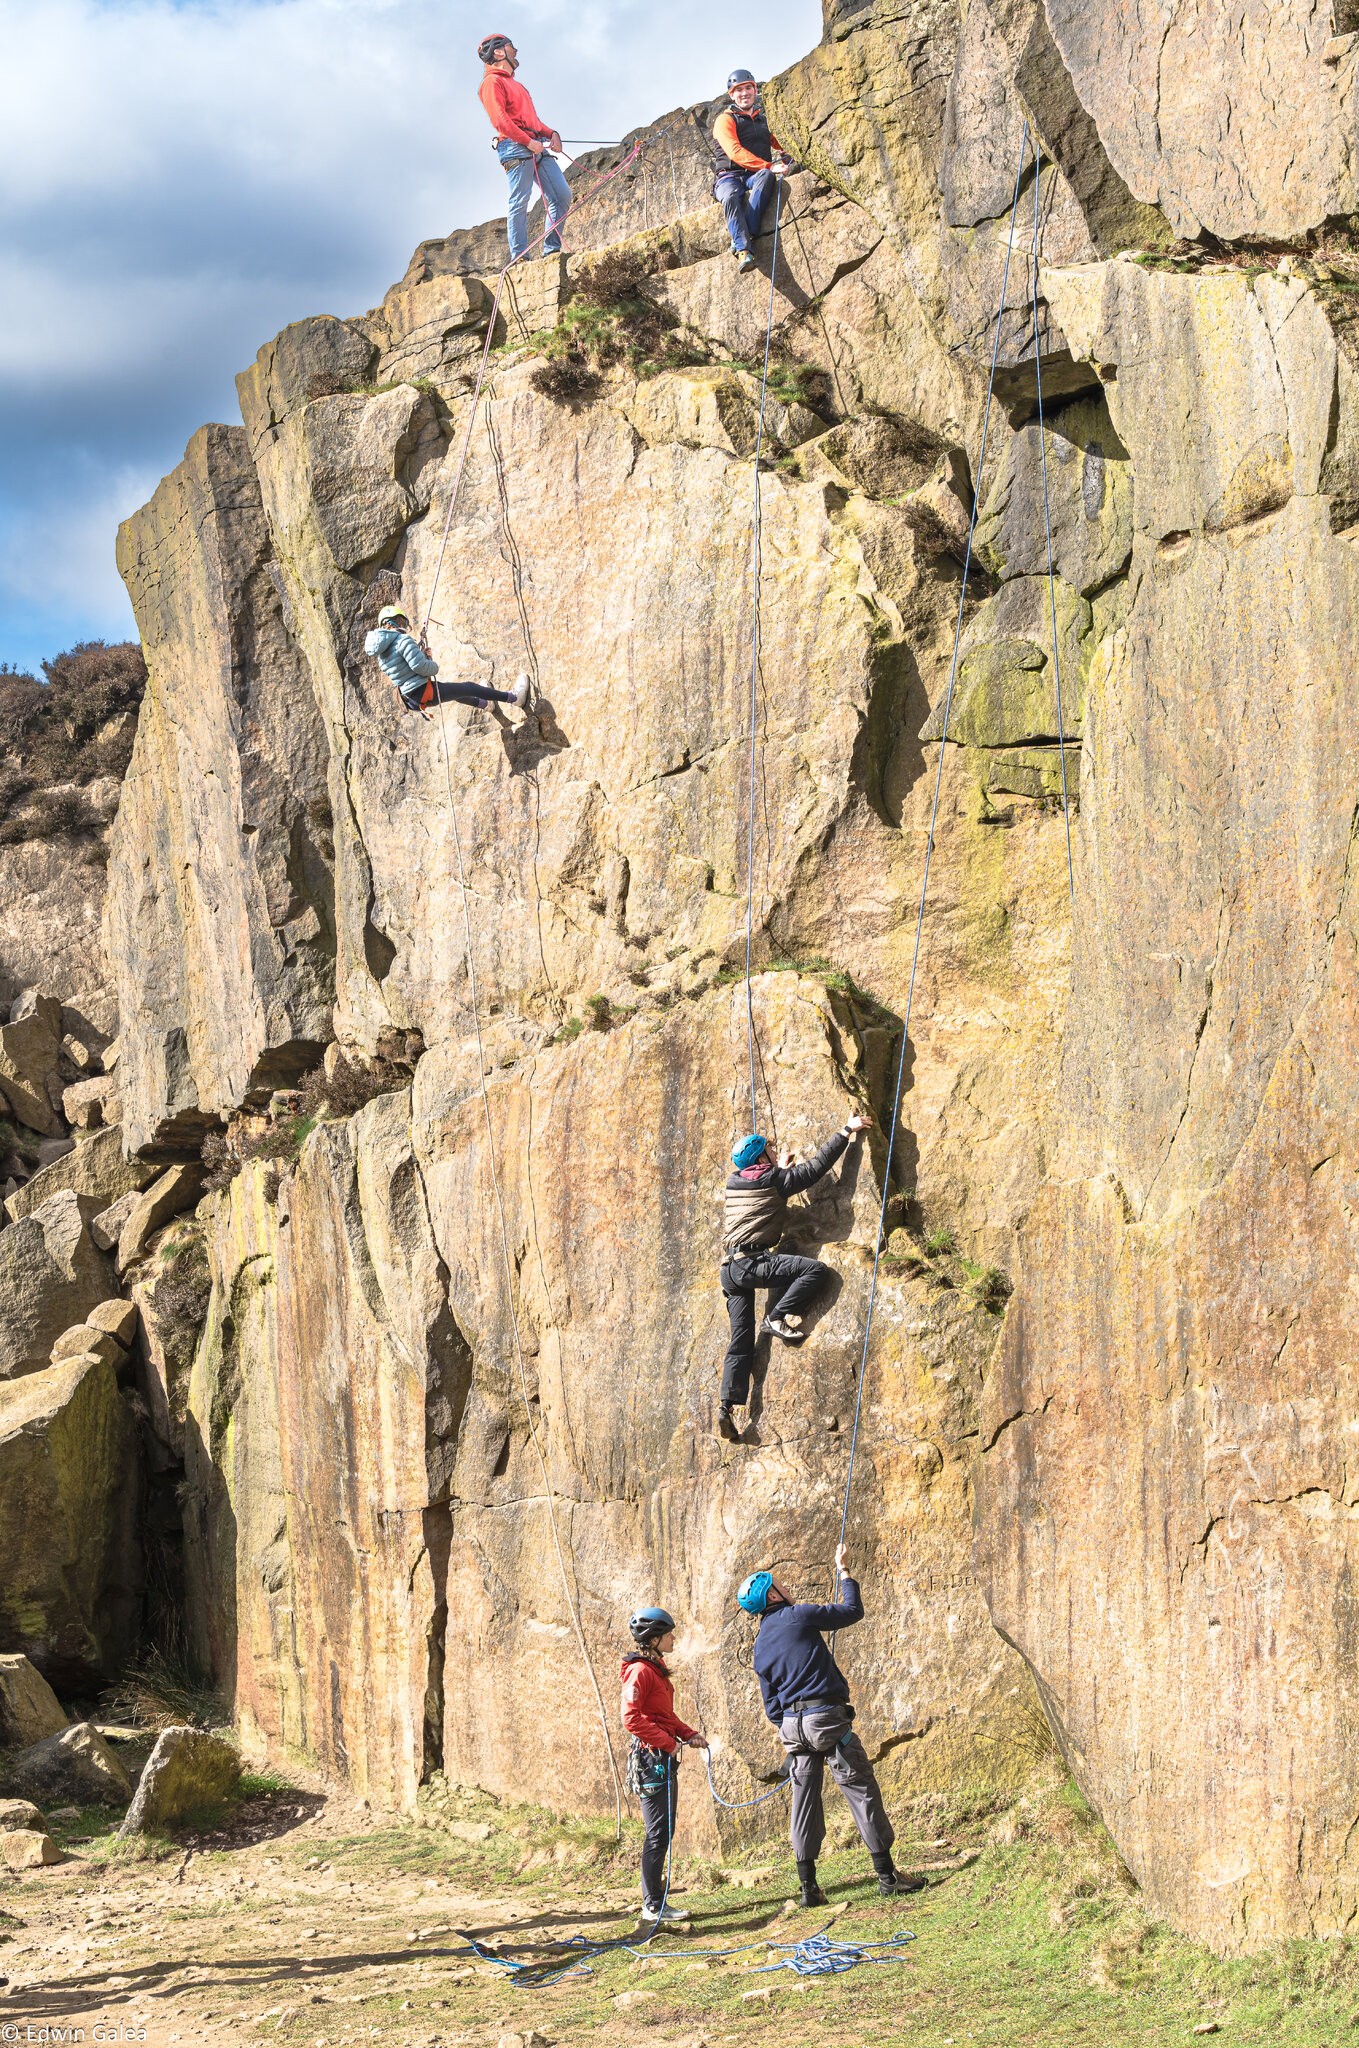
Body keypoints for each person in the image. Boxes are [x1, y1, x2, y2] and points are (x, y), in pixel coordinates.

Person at [738, 1546, 923, 1908]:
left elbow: (771, 1706)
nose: (786, 1587)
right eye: (780, 1585)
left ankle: (809, 1888)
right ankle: (887, 1877)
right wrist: (844, 1570)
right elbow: (853, 1610)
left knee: (803, 1803)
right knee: (859, 1788)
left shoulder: (760, 1645)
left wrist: (795, 1729)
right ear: (773, 1595)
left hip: (794, 1728)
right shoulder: (798, 1615)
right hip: (826, 1720)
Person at [717, 1112, 872, 1442]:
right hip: (751, 1264)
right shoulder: (773, 1179)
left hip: (730, 1270)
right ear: (762, 1157)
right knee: (814, 1271)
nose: (775, 1151)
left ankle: (726, 1407)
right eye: (770, 1150)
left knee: (740, 1341)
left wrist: (780, 1171)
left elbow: (763, 1195)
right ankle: (775, 1318)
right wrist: (847, 1130)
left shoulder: (736, 1181)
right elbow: (816, 1168)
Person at [620, 1605, 710, 1927]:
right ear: (655, 1638)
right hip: (651, 1761)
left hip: (661, 1757)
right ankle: (652, 1904)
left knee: (663, 1830)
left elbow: (664, 1716)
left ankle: (654, 1900)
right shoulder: (640, 1672)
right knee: (657, 1833)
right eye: (669, 1633)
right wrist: (668, 1743)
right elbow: (630, 1718)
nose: (673, 1637)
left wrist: (689, 1734)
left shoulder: (655, 1670)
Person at [477, 34, 572, 264]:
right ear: (499, 52)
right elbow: (500, 120)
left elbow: (534, 122)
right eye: (511, 47)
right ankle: (519, 256)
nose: (516, 51)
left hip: (534, 144)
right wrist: (528, 142)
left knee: (561, 195)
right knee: (520, 200)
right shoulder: (491, 83)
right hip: (515, 146)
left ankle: (551, 252)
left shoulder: (517, 86)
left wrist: (552, 134)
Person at [364, 606, 532, 716]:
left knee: (455, 693)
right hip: (422, 691)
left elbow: (404, 669)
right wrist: (431, 663)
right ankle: (514, 698)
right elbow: (421, 667)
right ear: (395, 622)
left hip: (411, 698)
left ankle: (485, 704)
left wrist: (421, 654)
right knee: (468, 687)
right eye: (403, 622)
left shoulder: (381, 654)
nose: (404, 626)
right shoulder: (402, 640)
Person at [711, 69, 789, 274]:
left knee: (766, 176)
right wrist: (769, 165)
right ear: (731, 95)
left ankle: (748, 231)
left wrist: (788, 159)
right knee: (730, 196)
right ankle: (744, 250)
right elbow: (734, 151)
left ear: (755, 90)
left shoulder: (763, 121)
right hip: (729, 176)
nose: (744, 93)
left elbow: (783, 145)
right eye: (739, 90)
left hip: (755, 175)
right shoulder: (725, 120)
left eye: (748, 88)